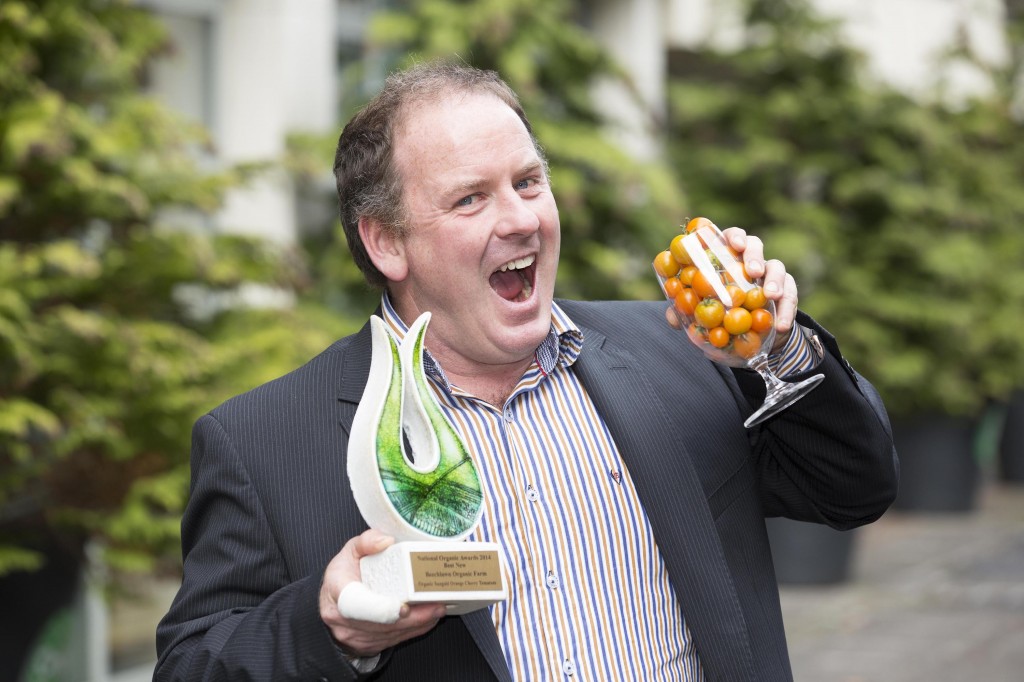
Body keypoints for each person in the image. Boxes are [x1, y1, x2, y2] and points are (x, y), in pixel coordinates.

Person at [155, 61, 898, 681]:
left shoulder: (678, 353)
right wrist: (330, 628)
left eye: (529, 183)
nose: (520, 219)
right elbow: (194, 664)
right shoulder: (263, 441)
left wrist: (780, 350)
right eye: (471, 197)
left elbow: (854, 489)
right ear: (386, 243)